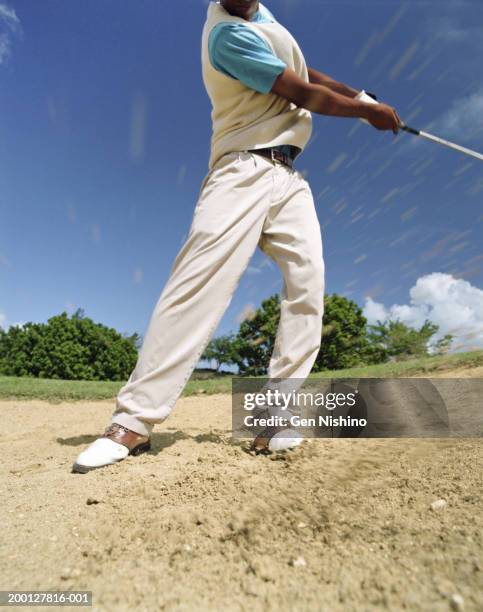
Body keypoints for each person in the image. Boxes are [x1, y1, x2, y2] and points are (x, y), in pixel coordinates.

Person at [72, 0, 400, 473]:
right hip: (240, 169)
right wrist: (366, 114)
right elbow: (303, 92)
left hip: (290, 178)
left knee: (308, 284)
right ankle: (132, 422)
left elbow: (312, 73)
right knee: (197, 284)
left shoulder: (265, 20)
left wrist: (365, 98)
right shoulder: (225, 36)